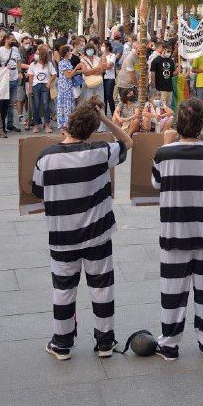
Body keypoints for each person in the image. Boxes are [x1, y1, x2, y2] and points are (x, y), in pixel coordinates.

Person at [33, 102, 134, 360]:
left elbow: (37, 192)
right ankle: (105, 343)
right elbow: (127, 141)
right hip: (97, 235)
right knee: (102, 288)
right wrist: (105, 119)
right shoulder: (100, 151)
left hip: (62, 237)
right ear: (92, 130)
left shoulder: (46, 157)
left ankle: (62, 344)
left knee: (64, 290)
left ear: (68, 123)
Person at [151, 99, 203, 360]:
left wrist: (165, 144)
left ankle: (169, 343)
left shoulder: (164, 153)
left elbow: (156, 183)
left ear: (177, 123)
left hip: (174, 231)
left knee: (172, 289)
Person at [0, 36, 24, 130]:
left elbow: (18, 61)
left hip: (14, 78)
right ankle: (2, 125)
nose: (13, 41)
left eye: (14, 39)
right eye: (11, 39)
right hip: (4, 80)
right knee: (4, 103)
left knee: (12, 103)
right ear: (6, 39)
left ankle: (10, 124)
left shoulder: (15, 49)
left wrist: (20, 72)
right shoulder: (0, 51)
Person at [28, 47, 56, 133]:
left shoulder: (49, 64)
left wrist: (49, 83)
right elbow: (30, 77)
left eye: (38, 53)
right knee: (35, 105)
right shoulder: (33, 64)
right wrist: (30, 88)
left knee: (46, 105)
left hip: (45, 86)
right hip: (36, 86)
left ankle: (47, 124)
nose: (35, 55)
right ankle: (36, 125)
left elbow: (54, 74)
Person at [55, 45, 77, 133]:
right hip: (64, 88)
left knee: (68, 106)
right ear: (66, 52)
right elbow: (68, 75)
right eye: (69, 51)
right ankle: (64, 126)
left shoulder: (67, 61)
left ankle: (67, 125)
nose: (70, 53)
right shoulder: (63, 62)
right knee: (65, 106)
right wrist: (76, 68)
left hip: (67, 87)